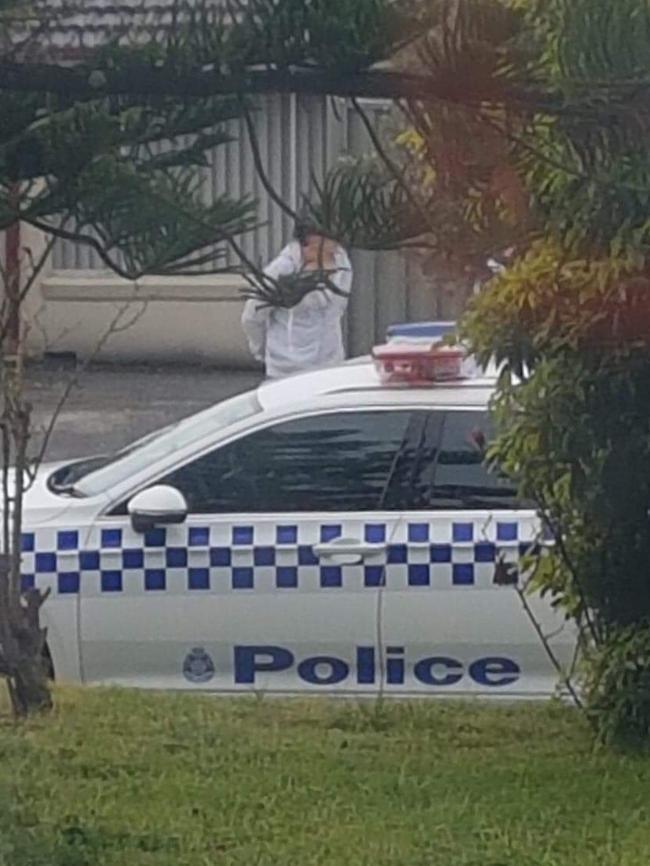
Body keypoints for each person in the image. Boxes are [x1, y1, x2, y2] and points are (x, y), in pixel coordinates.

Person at [241, 222, 353, 379]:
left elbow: (336, 311)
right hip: (286, 369)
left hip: (329, 365)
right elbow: (253, 314)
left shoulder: (343, 265)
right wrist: (262, 350)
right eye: (320, 244)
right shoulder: (282, 269)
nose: (332, 247)